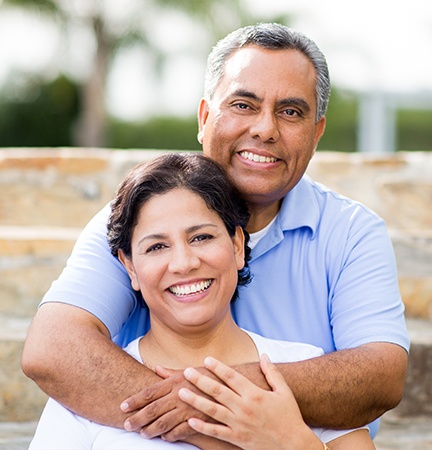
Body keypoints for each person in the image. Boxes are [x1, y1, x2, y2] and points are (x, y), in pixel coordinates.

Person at [22, 23, 409, 444]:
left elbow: (381, 376)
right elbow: (54, 348)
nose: (265, 129)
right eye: (243, 104)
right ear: (205, 118)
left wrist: (214, 401)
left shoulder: (351, 233)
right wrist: (218, 423)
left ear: (316, 133)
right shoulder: (138, 218)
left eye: (291, 112)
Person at [29, 153, 374, 449]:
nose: (184, 263)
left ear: (237, 246)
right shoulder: (86, 391)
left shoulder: (302, 367)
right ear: (129, 267)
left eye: (202, 237)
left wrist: (293, 443)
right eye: (157, 246)